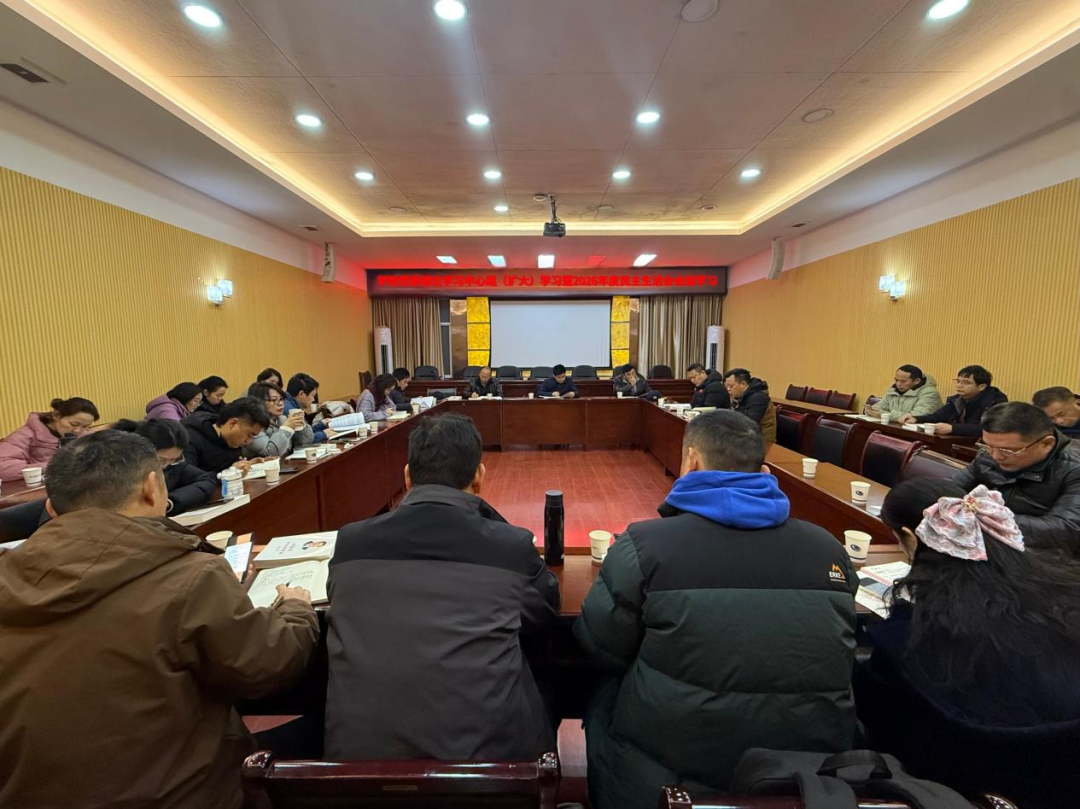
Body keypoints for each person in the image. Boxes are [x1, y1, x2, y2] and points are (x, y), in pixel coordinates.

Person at [0, 431, 318, 809]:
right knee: (330, 726)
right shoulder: (190, 575)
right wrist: (296, 609)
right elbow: (268, 667)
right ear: (152, 489)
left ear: (51, 509)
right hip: (184, 795)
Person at [574, 410, 858, 809]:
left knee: (599, 690)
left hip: (665, 779)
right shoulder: (828, 548)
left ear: (691, 461)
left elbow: (601, 644)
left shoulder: (644, 545)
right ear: (763, 470)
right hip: (802, 776)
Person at [324, 413, 560, 761]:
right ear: (479, 476)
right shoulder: (509, 547)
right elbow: (546, 608)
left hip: (357, 773)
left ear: (407, 476)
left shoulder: (351, 542)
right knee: (551, 682)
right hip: (489, 776)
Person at [855, 478, 1080, 809]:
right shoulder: (1063, 595)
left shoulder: (911, 637)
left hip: (965, 784)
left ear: (909, 538)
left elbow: (878, 718)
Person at [948, 402, 1080, 554]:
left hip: (1049, 554)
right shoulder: (989, 454)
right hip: (992, 541)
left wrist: (984, 516)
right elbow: (951, 488)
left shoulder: (1073, 468)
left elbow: (1067, 530)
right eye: (988, 445)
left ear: (1046, 444)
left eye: (1009, 450)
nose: (996, 456)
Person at [113, 418, 217, 517]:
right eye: (161, 460)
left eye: (174, 459)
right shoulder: (120, 470)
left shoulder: (174, 464)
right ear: (142, 451)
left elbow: (206, 480)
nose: (166, 465)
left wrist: (168, 502)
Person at [0, 397, 100, 482]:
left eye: (85, 426)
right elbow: (3, 466)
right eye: (73, 424)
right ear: (56, 416)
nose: (78, 430)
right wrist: (53, 465)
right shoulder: (25, 435)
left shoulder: (84, 435)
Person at [900, 365, 1007, 436]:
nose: (959, 385)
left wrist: (953, 428)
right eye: (958, 381)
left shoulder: (995, 401)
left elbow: (990, 429)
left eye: (965, 382)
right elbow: (936, 417)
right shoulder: (956, 400)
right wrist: (916, 419)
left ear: (981, 386)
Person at [182, 396, 270, 475]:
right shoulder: (189, 437)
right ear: (233, 423)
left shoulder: (229, 438)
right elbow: (188, 478)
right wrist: (229, 473)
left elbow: (228, 466)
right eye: (250, 435)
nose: (249, 441)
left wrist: (249, 464)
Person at [244, 382, 313, 458]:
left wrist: (301, 426)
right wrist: (286, 428)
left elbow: (305, 442)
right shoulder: (253, 425)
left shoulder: (282, 419)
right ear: (259, 402)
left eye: (281, 399)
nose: (280, 403)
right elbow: (270, 453)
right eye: (274, 400)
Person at [864, 365, 942, 422]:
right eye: (896, 380)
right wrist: (871, 411)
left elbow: (918, 416)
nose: (898, 384)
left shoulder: (930, 393)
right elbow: (880, 407)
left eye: (903, 381)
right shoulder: (894, 389)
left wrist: (885, 415)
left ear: (916, 381)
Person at [724, 368, 775, 442]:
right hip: (746, 436)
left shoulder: (759, 398)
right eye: (727, 386)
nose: (728, 389)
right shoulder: (739, 396)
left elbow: (749, 424)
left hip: (761, 439)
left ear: (743, 384)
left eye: (731, 386)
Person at [285, 373, 337, 443]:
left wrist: (321, 425)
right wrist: (323, 434)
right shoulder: (291, 410)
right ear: (301, 394)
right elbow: (303, 439)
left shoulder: (290, 404)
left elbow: (305, 433)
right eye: (313, 395)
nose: (313, 399)